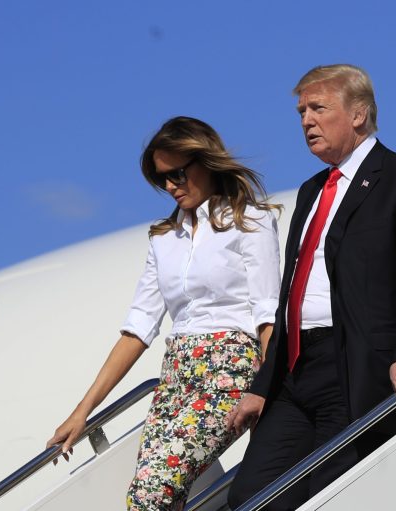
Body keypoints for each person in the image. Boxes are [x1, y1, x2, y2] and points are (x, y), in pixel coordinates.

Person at [226, 64, 396, 510]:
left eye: (318, 108)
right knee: (252, 497)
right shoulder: (311, 191)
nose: (306, 120)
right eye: (301, 112)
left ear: (358, 114)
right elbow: (291, 297)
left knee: (331, 495)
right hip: (295, 371)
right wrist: (262, 384)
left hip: (356, 366)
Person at [46, 116, 281, 510]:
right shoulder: (162, 239)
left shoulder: (249, 221)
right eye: (162, 179)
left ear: (205, 162)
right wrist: (81, 413)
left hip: (230, 368)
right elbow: (137, 329)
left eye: (177, 174)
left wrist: (267, 387)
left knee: (149, 493)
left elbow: (267, 313)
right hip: (177, 377)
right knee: (163, 498)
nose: (170, 186)